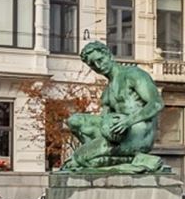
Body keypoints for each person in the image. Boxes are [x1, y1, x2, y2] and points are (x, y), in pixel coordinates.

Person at [63, 41, 165, 174]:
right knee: (74, 121)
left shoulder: (133, 74)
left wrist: (128, 121)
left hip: (138, 134)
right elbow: (103, 123)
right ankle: (102, 157)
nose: (99, 66)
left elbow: (157, 103)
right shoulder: (107, 92)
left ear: (109, 55)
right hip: (118, 136)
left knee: (80, 158)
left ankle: (99, 157)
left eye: (100, 60)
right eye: (93, 65)